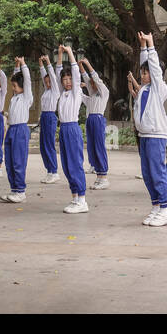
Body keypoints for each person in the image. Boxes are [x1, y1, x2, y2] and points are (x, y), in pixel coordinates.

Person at [131, 32, 167, 226]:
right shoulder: (144, 90)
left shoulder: (158, 88)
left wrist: (151, 45)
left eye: (146, 72)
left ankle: (165, 209)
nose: (143, 74)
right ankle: (156, 207)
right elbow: (145, 64)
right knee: (147, 174)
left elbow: (154, 68)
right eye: (142, 72)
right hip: (145, 136)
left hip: (156, 136)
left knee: (157, 173)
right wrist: (142, 48)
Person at [55, 45, 89, 214]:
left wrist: (70, 52)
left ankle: (82, 199)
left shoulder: (76, 92)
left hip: (73, 129)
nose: (67, 82)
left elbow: (76, 74)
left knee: (75, 163)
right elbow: (57, 72)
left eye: (69, 79)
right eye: (65, 79)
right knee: (67, 165)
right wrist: (60, 55)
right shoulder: (62, 93)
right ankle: (75, 197)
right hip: (63, 130)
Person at [1, 58, 33, 203]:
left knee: (18, 161)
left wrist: (23, 64)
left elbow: (27, 80)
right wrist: (16, 66)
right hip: (11, 130)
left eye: (15, 86)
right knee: (9, 161)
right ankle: (14, 189)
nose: (13, 88)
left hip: (20, 130)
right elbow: (17, 77)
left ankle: (21, 191)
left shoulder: (27, 97)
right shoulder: (15, 98)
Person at [78, 57, 111, 189]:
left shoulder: (104, 92)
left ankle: (103, 177)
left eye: (94, 83)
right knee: (92, 147)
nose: (92, 85)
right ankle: (98, 176)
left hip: (98, 120)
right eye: (91, 84)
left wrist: (87, 63)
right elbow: (87, 79)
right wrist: (80, 66)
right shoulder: (92, 95)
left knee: (99, 147)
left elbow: (95, 78)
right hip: (90, 120)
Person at [37, 53, 61, 184]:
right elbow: (44, 75)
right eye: (45, 82)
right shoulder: (46, 91)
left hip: (51, 116)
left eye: (49, 81)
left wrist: (48, 62)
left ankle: (54, 171)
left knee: (49, 144)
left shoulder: (55, 91)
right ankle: (49, 171)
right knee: (43, 145)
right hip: (44, 116)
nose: (47, 83)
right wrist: (41, 64)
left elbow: (51, 75)